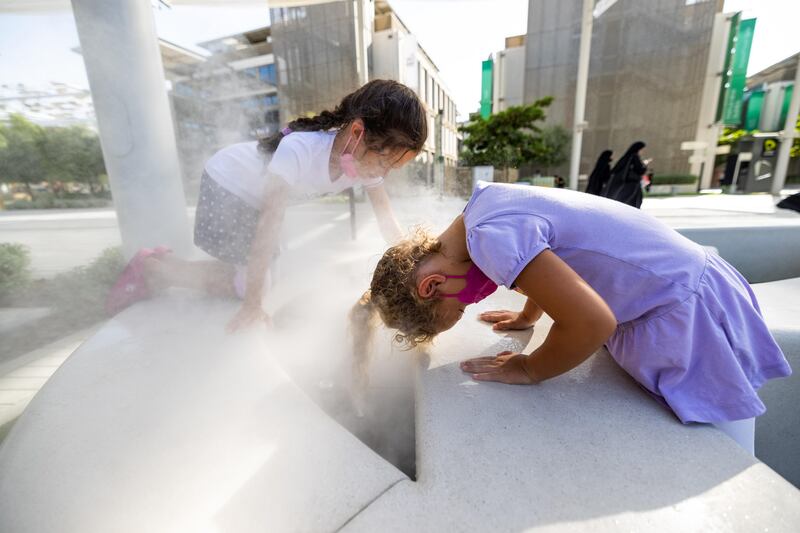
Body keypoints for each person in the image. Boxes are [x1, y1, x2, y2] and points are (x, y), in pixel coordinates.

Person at [356, 181, 791, 453]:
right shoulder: (482, 209)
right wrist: (531, 312)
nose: (471, 303)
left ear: (431, 286)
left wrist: (529, 367)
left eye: (461, 307)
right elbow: (556, 254)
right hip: (687, 282)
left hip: (686, 306)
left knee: (722, 444)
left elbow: (593, 323)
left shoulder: (489, 239)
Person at [107, 79, 427, 331]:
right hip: (225, 186)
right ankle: (153, 270)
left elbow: (387, 222)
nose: (383, 173)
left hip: (250, 199)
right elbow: (268, 224)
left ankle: (165, 264)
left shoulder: (362, 161)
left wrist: (414, 266)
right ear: (357, 132)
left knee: (257, 273)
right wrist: (252, 305)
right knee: (249, 283)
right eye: (385, 162)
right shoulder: (300, 149)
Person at [603, 141, 648, 208]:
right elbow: (640, 170)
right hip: (631, 184)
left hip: (623, 184)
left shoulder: (626, 157)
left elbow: (615, 169)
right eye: (642, 149)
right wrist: (644, 164)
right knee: (632, 202)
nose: (643, 151)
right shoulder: (634, 156)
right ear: (639, 149)